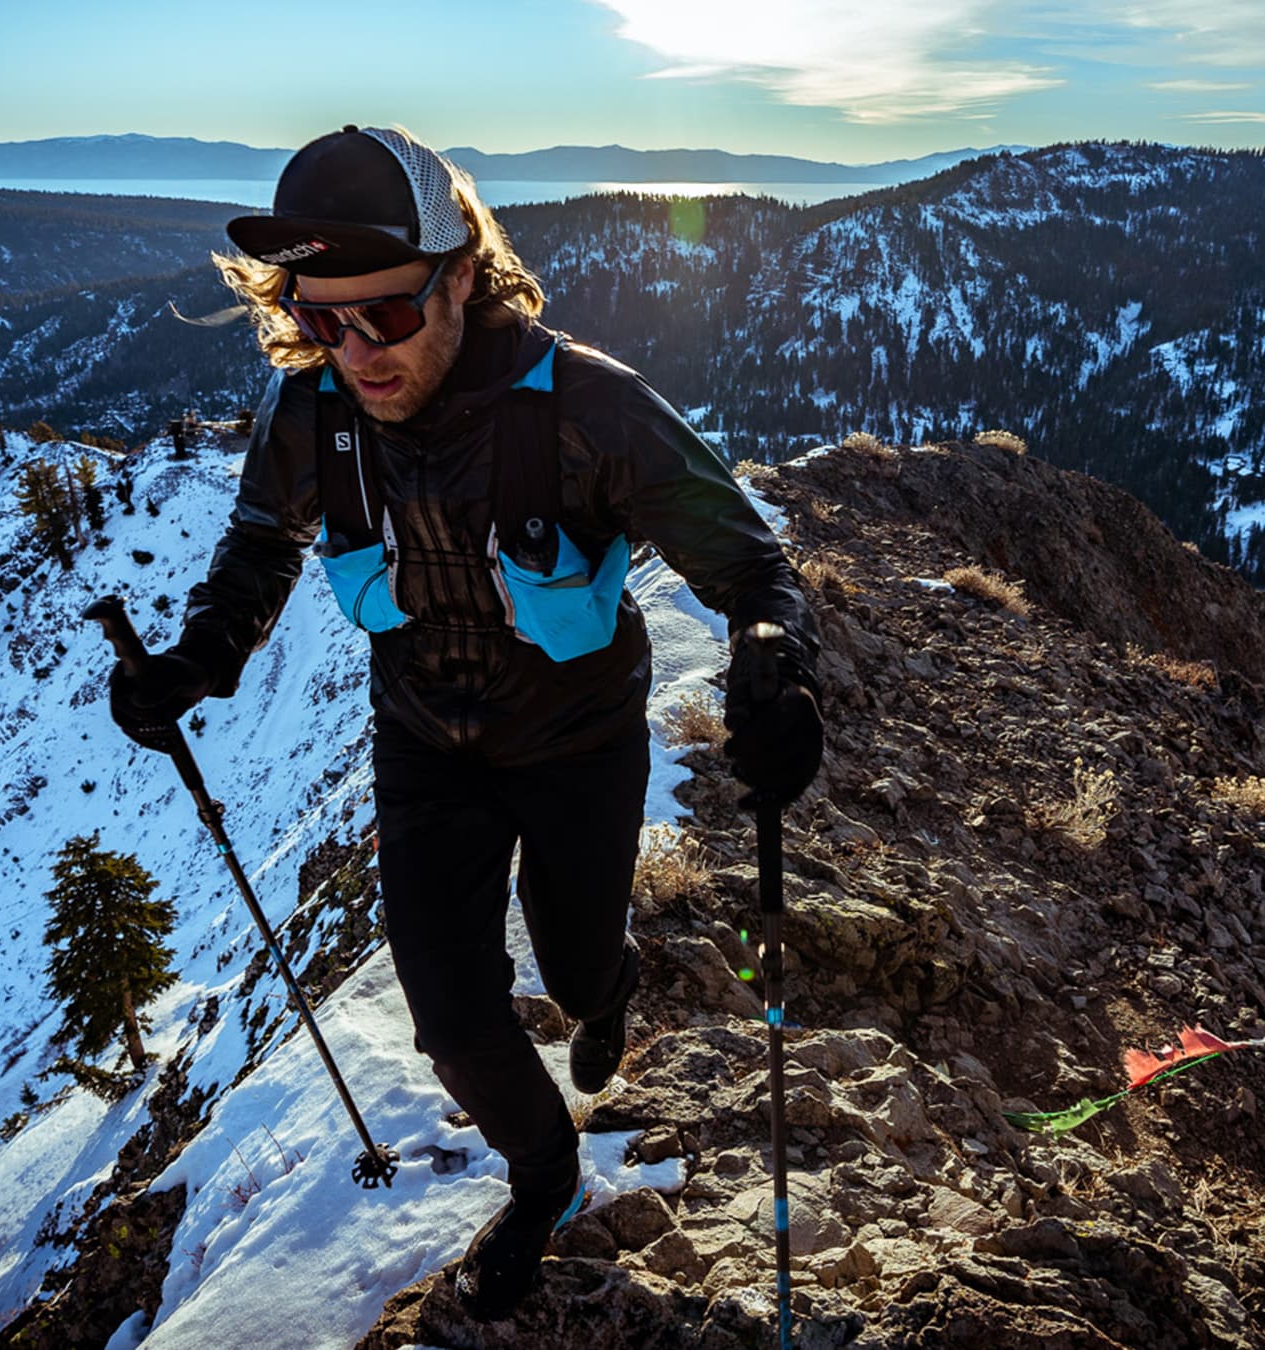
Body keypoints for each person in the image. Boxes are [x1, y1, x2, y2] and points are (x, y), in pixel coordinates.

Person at [106, 124, 824, 1319]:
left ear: (461, 273)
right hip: (423, 743)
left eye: (381, 314)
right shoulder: (312, 417)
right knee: (451, 1015)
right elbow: (259, 544)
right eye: (318, 315)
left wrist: (771, 657)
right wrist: (199, 660)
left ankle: (611, 991)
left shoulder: (590, 408)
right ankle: (543, 1181)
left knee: (578, 956)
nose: (352, 349)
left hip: (579, 743)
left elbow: (753, 561)